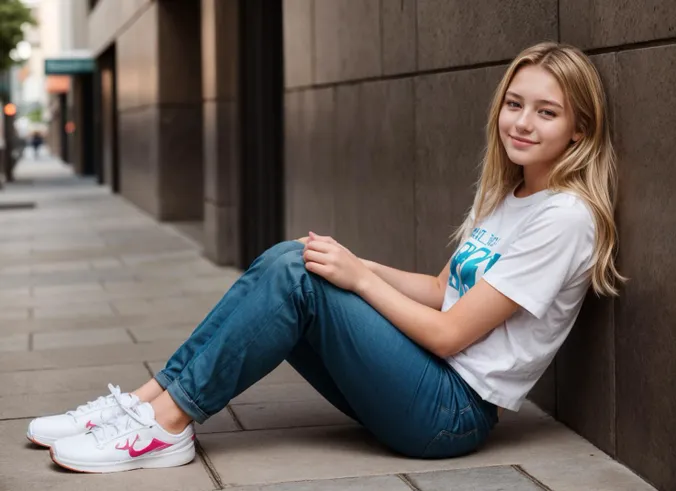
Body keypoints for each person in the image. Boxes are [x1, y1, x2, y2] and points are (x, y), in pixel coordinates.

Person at [26, 42, 624, 473]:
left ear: (578, 129)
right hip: (423, 381)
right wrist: (347, 261)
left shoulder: (565, 219)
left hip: (451, 412)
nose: (521, 123)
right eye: (514, 104)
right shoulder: (509, 194)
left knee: (296, 274)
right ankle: (141, 406)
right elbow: (445, 289)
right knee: (301, 260)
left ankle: (167, 426)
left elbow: (448, 334)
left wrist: (359, 278)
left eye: (546, 112)